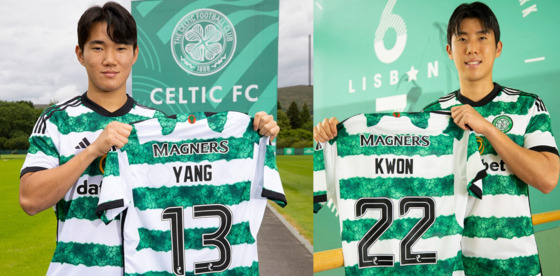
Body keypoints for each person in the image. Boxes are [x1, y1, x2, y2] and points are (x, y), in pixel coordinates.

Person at [19, 2, 279, 275]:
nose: (110, 59)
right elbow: (30, 200)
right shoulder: (57, 121)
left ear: (134, 54)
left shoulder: (157, 125)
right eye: (98, 48)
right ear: (80, 54)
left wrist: (256, 134)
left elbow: (198, 182)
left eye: (120, 48)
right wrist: (93, 150)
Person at [314, 2, 559, 275]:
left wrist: (487, 128)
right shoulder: (432, 118)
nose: (472, 48)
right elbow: (399, 179)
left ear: (498, 47)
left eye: (482, 38)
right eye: (462, 39)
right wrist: (335, 138)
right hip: (453, 268)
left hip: (517, 267)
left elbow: (548, 179)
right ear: (449, 50)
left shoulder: (526, 106)